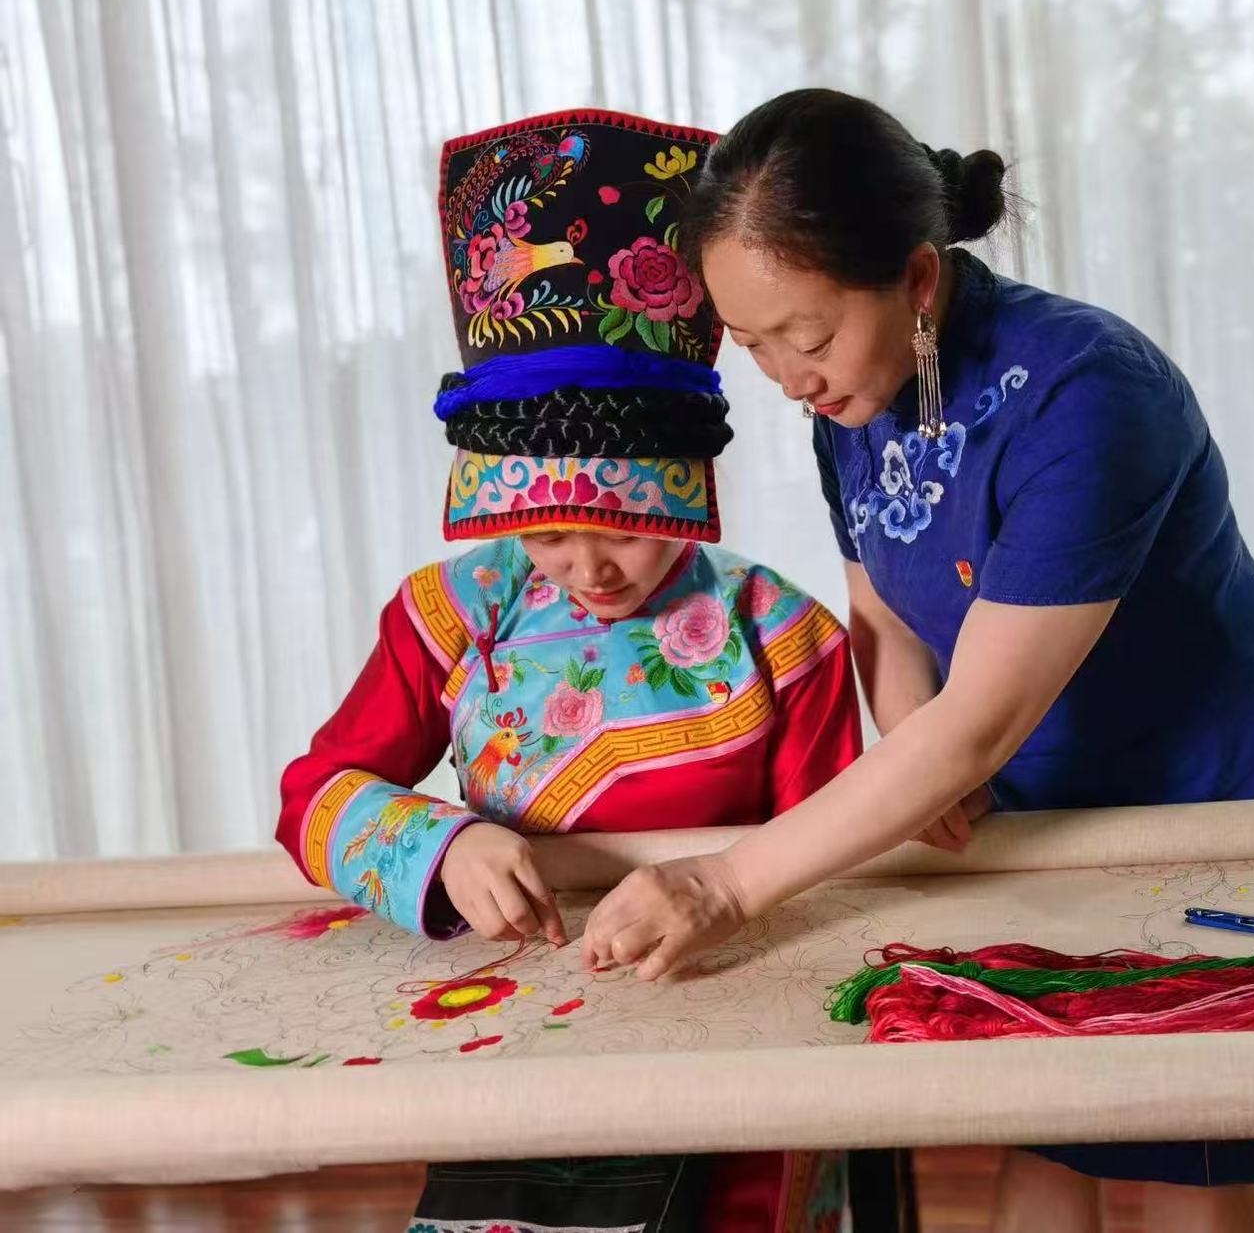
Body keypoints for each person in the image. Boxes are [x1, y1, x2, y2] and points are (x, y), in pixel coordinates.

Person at [578, 89, 1254, 1232]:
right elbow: (885, 619)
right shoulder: (852, 401)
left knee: (1181, 1136)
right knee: (1044, 1123)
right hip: (1023, 799)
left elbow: (977, 723)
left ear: (915, 279)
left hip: (1193, 789)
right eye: (751, 345)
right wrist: (920, 755)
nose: (787, 378)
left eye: (805, 337)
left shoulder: (1088, 394)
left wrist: (723, 882)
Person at [276, 107, 860, 1233]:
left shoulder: (779, 634)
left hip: (727, 1023)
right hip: (517, 1039)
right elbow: (313, 796)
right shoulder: (454, 612)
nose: (589, 570)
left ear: (683, 498)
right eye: (546, 536)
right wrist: (446, 844)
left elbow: (830, 869)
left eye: (625, 533)